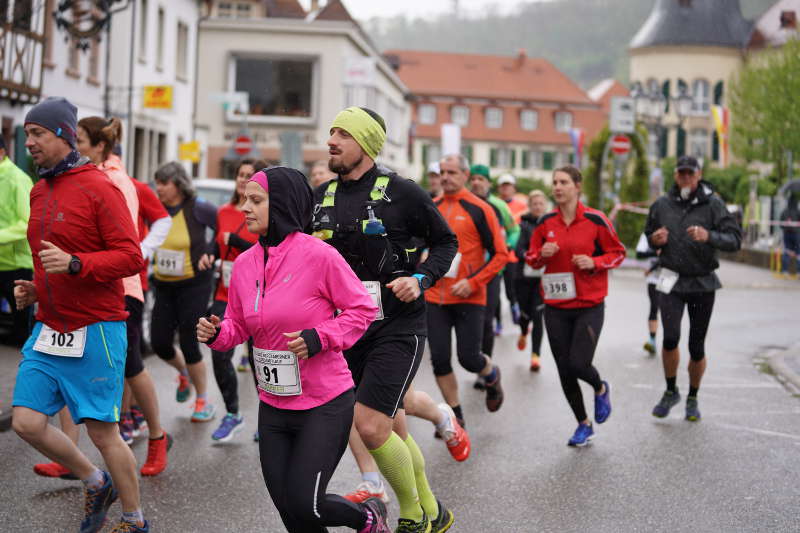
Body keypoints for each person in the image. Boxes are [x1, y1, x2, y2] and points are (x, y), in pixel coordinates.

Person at [197, 167, 390, 533]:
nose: (245, 208)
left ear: (282, 204)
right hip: (273, 404)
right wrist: (216, 333)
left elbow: (362, 309)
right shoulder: (243, 264)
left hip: (324, 402)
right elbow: (238, 326)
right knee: (292, 514)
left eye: (256, 201)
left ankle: (368, 517)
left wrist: (321, 336)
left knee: (308, 506)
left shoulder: (319, 256)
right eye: (245, 200)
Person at [312, 106, 458, 532]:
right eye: (332, 131)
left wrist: (421, 277)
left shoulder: (404, 193)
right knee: (388, 427)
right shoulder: (322, 195)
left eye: (343, 133)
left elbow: (445, 242)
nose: (332, 140)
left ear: (366, 143)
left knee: (371, 425)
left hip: (398, 326)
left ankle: (414, 517)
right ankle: (434, 508)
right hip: (349, 329)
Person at [11, 97, 149, 532]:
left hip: (97, 328)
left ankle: (134, 520)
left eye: (37, 134)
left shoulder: (99, 186)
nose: (28, 141)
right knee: (26, 422)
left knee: (103, 432)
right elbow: (47, 257)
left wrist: (76, 265)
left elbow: (131, 257)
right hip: (50, 326)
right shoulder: (39, 188)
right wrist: (37, 287)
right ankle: (95, 481)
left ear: (64, 136)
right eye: (27, 133)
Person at [525, 165, 624, 447]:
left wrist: (595, 262)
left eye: (564, 182)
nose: (557, 187)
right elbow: (530, 258)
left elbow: (618, 253)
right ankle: (583, 423)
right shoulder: (545, 223)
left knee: (579, 363)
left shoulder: (595, 219)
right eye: (554, 182)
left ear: (577, 186)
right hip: (556, 306)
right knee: (564, 369)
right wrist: (540, 255)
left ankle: (601, 387)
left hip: (589, 304)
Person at [645, 155, 742, 421]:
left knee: (696, 345)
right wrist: (655, 239)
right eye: (681, 173)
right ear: (676, 175)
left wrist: (709, 236)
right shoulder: (662, 204)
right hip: (670, 279)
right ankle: (670, 390)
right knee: (670, 338)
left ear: (699, 175)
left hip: (701, 281)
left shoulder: (714, 204)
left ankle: (692, 397)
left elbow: (735, 240)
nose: (685, 177)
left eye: (690, 173)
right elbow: (647, 238)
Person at [427, 154, 509, 429]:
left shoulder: (479, 208)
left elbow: (501, 255)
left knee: (469, 358)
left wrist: (473, 282)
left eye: (452, 172)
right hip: (434, 297)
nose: (446, 177)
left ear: (464, 174)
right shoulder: (432, 206)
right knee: (439, 359)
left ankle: (491, 373)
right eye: (442, 172)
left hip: (468, 296)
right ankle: (455, 414)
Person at [151, 162, 217, 422]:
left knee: (190, 341)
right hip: (163, 285)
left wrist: (211, 252)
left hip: (194, 284)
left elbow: (223, 229)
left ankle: (202, 400)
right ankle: (183, 374)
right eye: (156, 183)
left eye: (163, 183)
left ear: (178, 184)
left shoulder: (199, 207)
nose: (159, 189)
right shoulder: (155, 208)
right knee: (159, 343)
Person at [207, 158, 265, 441]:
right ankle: (232, 413)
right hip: (225, 293)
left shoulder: (266, 212)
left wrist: (237, 242)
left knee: (260, 359)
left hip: (258, 295)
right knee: (218, 354)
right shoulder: (225, 212)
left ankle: (268, 420)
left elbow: (267, 249)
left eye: (249, 176)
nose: (243, 180)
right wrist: (208, 255)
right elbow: (217, 244)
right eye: (240, 175)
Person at [466, 164, 518, 389]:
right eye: (474, 179)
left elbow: (514, 230)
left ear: (488, 183)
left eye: (481, 179)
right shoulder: (463, 202)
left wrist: (505, 247)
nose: (477, 182)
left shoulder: (498, 206)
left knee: (487, 320)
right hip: (466, 272)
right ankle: (473, 358)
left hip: (492, 271)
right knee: (469, 320)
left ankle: (483, 368)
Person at [0, 135, 34, 347]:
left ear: (2, 152)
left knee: (22, 332)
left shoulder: (17, 179)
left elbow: (26, 222)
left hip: (17, 264)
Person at [514, 190, 548, 371]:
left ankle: (536, 355)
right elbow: (518, 250)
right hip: (523, 277)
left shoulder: (551, 225)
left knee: (538, 315)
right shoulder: (524, 225)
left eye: (541, 204)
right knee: (525, 313)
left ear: (545, 206)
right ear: (530, 206)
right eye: (534, 204)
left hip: (542, 280)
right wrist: (531, 257)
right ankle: (523, 330)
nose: (537, 207)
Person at [635, 232, 660, 355]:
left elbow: (667, 257)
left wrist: (650, 269)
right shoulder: (647, 233)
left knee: (668, 311)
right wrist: (655, 252)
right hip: (654, 278)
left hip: (670, 277)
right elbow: (639, 254)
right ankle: (652, 340)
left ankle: (669, 342)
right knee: (654, 307)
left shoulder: (673, 228)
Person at [779, 195, 800, 279]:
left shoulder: (784, 211)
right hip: (797, 235)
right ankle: (799, 272)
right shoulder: (798, 211)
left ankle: (785, 271)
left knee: (787, 252)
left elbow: (780, 224)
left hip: (787, 234)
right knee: (799, 253)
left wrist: (786, 227)